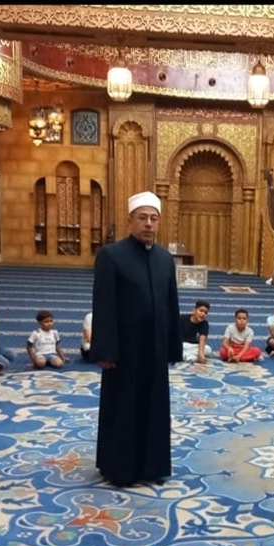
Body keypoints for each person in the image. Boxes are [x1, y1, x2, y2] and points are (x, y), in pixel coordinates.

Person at [91, 190, 182, 487]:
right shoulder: (111, 256)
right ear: (130, 220)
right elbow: (103, 305)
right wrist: (105, 350)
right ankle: (120, 469)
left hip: (155, 350)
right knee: (124, 409)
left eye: (154, 218)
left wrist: (173, 347)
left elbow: (171, 304)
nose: (148, 224)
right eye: (142, 218)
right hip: (124, 352)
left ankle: (152, 467)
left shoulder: (165, 259)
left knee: (154, 408)